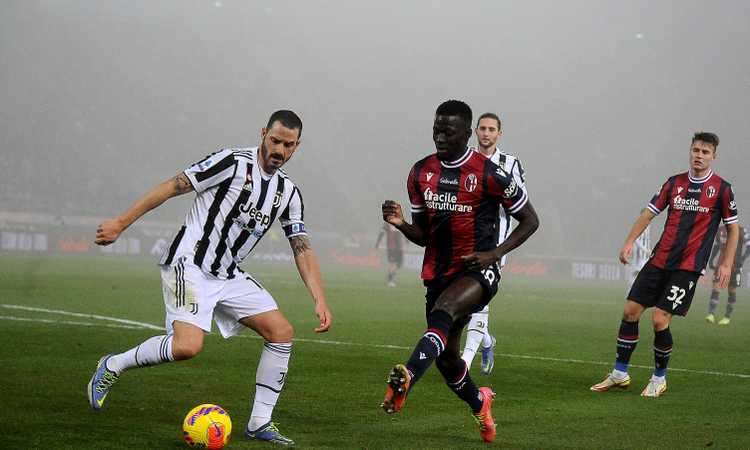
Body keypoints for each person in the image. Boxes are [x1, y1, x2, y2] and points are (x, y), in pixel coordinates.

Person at [88, 110, 332, 446]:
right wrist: (121, 222)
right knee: (187, 347)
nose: (280, 149)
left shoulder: (288, 193)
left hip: (227, 274)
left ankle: (260, 422)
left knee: (281, 332)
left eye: (288, 145)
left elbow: (301, 247)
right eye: (275, 140)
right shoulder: (231, 162)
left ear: (297, 146)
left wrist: (318, 296)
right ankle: (113, 364)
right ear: (263, 133)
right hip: (189, 263)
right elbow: (173, 186)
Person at [380, 100, 539, 443]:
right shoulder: (420, 172)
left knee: (444, 310)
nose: (440, 135)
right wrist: (401, 224)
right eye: (436, 128)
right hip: (438, 271)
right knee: (448, 362)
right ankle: (480, 403)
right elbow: (424, 236)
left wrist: (494, 253)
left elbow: (531, 220)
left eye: (448, 130)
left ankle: (407, 376)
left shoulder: (489, 173)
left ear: (466, 134)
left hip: (477, 270)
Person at [591, 131, 738, 398]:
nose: (699, 156)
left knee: (659, 319)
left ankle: (659, 378)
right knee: (630, 311)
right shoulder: (674, 183)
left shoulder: (722, 190)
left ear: (713, 157)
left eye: (705, 152)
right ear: (690, 152)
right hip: (659, 260)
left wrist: (726, 264)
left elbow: (733, 230)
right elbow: (648, 213)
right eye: (696, 150)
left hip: (688, 266)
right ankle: (620, 373)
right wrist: (629, 242)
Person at [461, 112, 527, 376]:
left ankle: (464, 362)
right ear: (476, 131)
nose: (486, 133)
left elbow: (522, 204)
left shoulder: (510, 164)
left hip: (494, 245)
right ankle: (487, 341)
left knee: (479, 300)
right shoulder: (465, 161)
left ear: (500, 133)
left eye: (492, 129)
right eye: (482, 129)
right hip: (464, 241)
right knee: (465, 301)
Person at [706, 224, 749, 325]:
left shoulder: (742, 230)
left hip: (735, 266)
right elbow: (716, 245)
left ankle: (727, 317)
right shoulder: (720, 229)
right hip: (721, 263)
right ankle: (711, 314)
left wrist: (742, 259)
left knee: (731, 290)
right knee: (716, 287)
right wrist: (712, 259)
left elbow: (749, 246)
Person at [375, 223, 404, 287]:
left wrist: (407, 241)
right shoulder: (387, 224)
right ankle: (390, 281)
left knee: (399, 264)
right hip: (392, 248)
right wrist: (377, 243)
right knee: (393, 264)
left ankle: (390, 276)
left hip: (399, 248)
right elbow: (381, 233)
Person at [626, 220, 652, 286]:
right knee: (634, 277)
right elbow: (636, 240)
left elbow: (646, 242)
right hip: (638, 258)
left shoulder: (648, 228)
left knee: (637, 277)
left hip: (644, 258)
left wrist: (649, 250)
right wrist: (645, 250)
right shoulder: (641, 228)